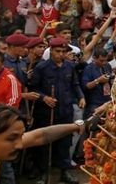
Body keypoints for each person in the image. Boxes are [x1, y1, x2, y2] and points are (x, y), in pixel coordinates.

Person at [28, 38, 85, 184]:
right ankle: (43, 173)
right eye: (57, 51)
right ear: (51, 51)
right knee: (45, 143)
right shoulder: (42, 67)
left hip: (65, 110)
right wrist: (44, 97)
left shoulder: (70, 66)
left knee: (65, 142)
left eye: (63, 51)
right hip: (47, 112)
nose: (60, 54)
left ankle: (64, 171)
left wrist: (81, 97)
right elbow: (32, 88)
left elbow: (75, 84)